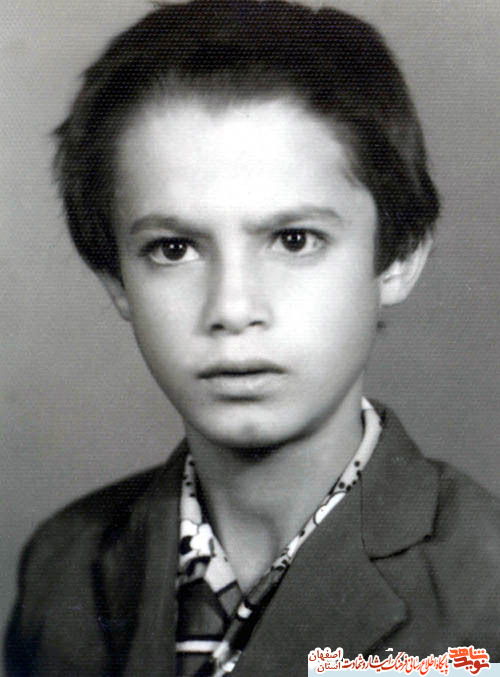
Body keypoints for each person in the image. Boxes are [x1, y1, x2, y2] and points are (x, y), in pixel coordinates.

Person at [5, 1, 500, 675]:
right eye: (174, 248)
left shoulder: (484, 586)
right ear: (116, 278)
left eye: (294, 240)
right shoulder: (63, 566)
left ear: (397, 257)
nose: (233, 309)